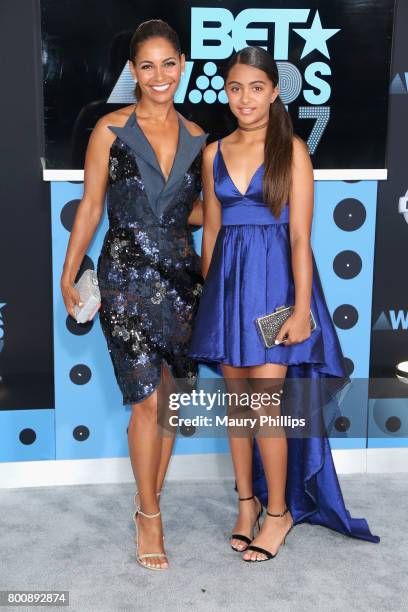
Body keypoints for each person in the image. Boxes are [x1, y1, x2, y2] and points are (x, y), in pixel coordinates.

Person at [189, 46, 379, 562]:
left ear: (274, 92)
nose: (244, 98)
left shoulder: (292, 150)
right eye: (235, 88)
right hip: (227, 292)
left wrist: (300, 311)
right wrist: (213, 300)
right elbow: (212, 232)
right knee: (237, 407)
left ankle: (280, 513)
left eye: (256, 87)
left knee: (266, 406)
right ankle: (246, 506)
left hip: (275, 290)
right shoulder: (213, 152)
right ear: (225, 93)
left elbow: (300, 238)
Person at [61, 19, 207, 571]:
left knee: (168, 401)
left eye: (169, 63)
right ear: (133, 71)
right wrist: (70, 270)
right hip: (123, 279)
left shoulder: (198, 137)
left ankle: (150, 498)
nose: (159, 75)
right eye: (147, 65)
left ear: (182, 64)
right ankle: (149, 518)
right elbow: (92, 206)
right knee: (146, 399)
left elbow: (193, 213)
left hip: (180, 281)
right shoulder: (109, 130)